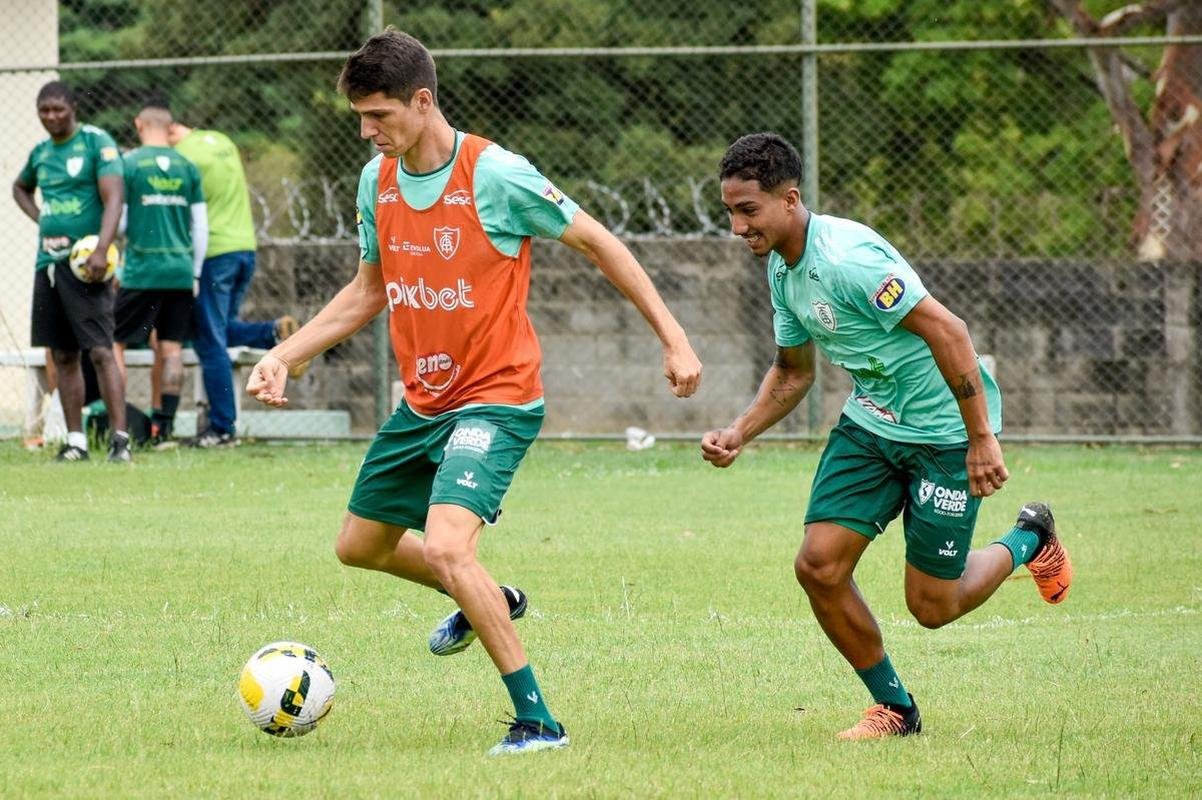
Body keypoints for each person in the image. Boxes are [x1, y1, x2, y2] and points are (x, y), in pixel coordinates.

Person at [246, 28, 702, 756]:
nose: (368, 133)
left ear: (422, 102)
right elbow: (371, 291)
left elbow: (600, 243)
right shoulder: (379, 180)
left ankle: (538, 723)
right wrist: (287, 356)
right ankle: (493, 597)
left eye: (380, 116)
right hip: (422, 402)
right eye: (360, 118)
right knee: (358, 546)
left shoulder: (496, 174)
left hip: (497, 397)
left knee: (452, 546)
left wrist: (674, 338)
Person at [701, 133, 1073, 740]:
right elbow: (795, 371)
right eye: (730, 212)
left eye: (749, 210)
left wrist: (981, 438)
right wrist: (739, 431)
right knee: (818, 566)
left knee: (933, 608)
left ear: (789, 200)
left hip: (944, 434)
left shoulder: (849, 259)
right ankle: (896, 710)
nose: (739, 226)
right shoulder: (780, 269)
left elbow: (950, 333)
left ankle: (1030, 537)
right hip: (871, 427)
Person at [12, 80, 130, 462]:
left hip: (86, 267)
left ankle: (120, 440)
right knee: (62, 354)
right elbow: (20, 188)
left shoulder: (97, 143)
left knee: (99, 351)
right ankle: (76, 441)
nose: (51, 116)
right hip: (48, 263)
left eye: (58, 109)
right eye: (44, 110)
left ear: (73, 107)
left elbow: (114, 199)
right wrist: (41, 218)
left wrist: (102, 248)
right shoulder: (41, 153)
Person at [167, 116, 300, 447]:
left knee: (208, 340)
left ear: (168, 130)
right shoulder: (222, 140)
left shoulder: (182, 156)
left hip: (214, 253)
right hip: (244, 249)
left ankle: (222, 428)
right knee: (221, 328)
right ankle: (272, 333)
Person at [114, 100, 208, 447]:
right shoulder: (188, 166)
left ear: (139, 124)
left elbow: (120, 221)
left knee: (114, 343)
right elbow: (200, 227)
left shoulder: (129, 164)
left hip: (142, 270)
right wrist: (194, 273)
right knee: (169, 349)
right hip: (181, 270)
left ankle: (118, 424)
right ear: (169, 128)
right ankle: (162, 428)